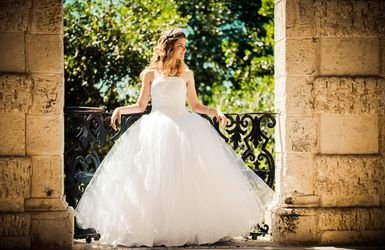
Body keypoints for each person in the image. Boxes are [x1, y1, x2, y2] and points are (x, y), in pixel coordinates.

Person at [73, 28, 274, 248]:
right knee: (154, 180)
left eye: (185, 46)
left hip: (184, 128)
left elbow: (196, 106)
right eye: (181, 46)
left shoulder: (187, 74)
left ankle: (186, 229)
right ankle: (156, 229)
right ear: (168, 46)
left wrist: (215, 111)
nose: (184, 50)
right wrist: (120, 109)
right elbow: (141, 106)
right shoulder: (150, 73)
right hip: (155, 128)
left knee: (186, 180)